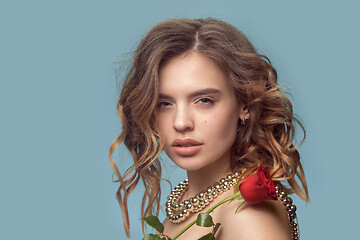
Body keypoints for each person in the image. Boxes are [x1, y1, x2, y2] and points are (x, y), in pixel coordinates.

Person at [109, 18, 309, 240]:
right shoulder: (189, 201)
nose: (181, 122)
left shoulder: (248, 217)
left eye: (203, 100)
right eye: (164, 103)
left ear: (245, 105)